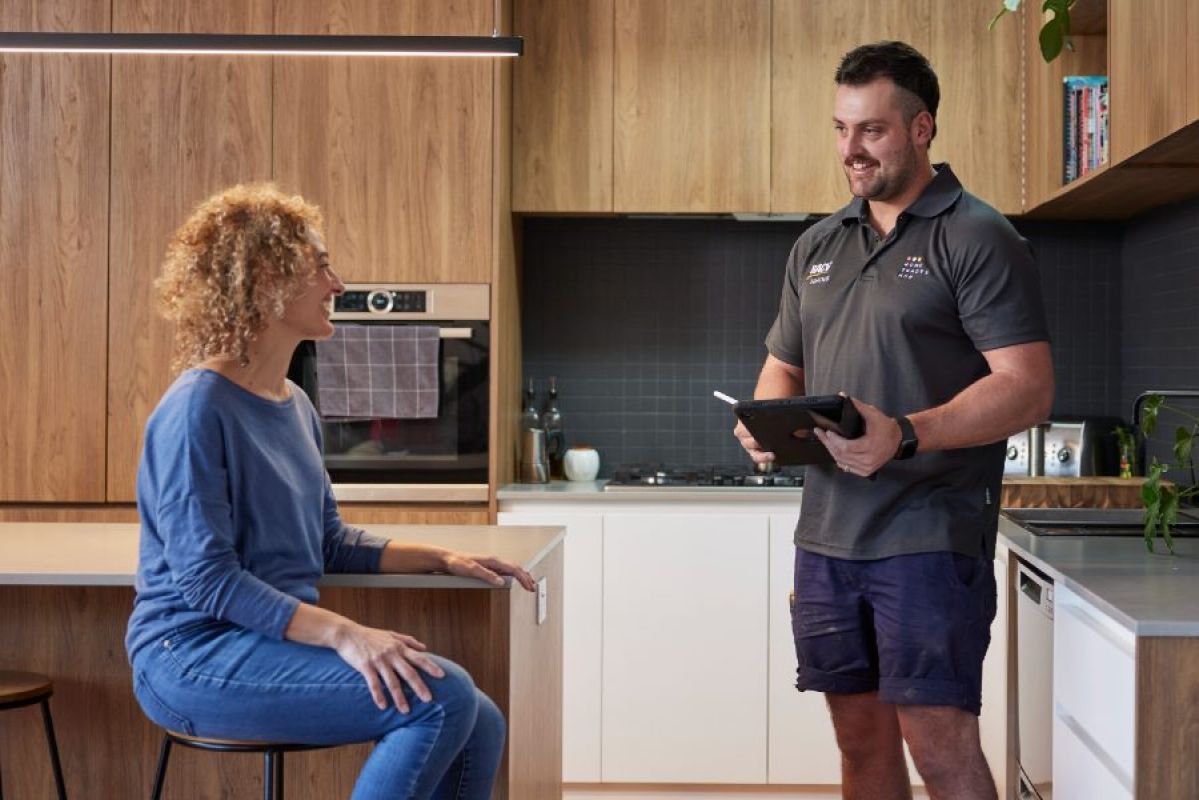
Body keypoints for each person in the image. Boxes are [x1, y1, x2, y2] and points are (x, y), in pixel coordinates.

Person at [125, 183, 536, 800]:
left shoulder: (295, 406)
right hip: (189, 657)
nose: (338, 284)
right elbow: (207, 580)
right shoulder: (195, 410)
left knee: (481, 719)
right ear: (266, 278)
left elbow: (328, 542)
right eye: (320, 266)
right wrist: (346, 633)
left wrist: (442, 559)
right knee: (443, 697)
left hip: (261, 646)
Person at [735, 42, 1053, 800]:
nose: (849, 150)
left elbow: (1026, 387)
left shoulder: (977, 236)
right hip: (827, 538)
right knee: (858, 747)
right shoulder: (817, 243)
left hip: (929, 536)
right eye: (840, 129)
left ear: (921, 128)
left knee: (939, 749)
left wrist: (902, 433)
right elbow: (785, 363)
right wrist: (763, 419)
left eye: (870, 130)